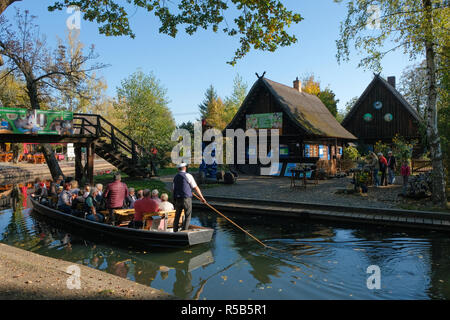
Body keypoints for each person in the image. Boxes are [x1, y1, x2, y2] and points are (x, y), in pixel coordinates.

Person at [172, 163, 206, 232]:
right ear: (185, 168)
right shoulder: (188, 175)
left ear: (178, 169)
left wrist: (173, 199)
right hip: (186, 199)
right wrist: (202, 198)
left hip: (178, 199)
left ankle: (175, 231)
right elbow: (196, 187)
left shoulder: (175, 177)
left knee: (177, 216)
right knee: (188, 216)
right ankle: (184, 231)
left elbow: (173, 189)